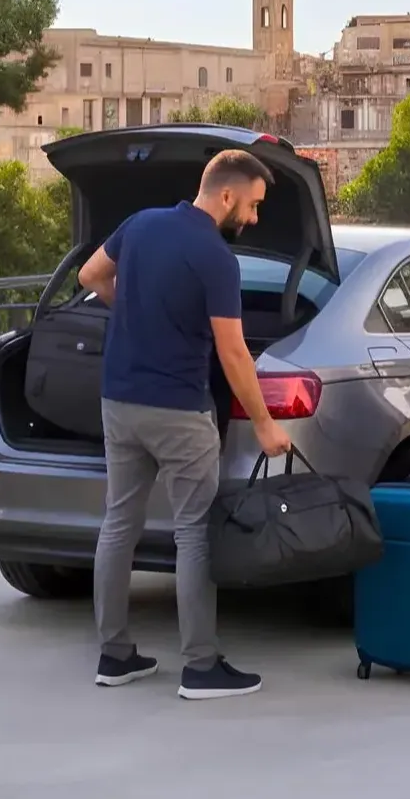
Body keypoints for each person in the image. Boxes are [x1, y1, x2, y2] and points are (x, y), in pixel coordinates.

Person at [77, 149, 291, 700]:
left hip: (119, 401)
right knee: (193, 531)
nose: (254, 218)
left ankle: (114, 655)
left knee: (118, 523)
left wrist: (138, 314)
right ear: (227, 195)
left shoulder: (140, 224)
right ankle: (200, 666)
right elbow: (234, 353)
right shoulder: (216, 257)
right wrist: (265, 424)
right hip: (179, 411)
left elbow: (90, 275)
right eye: (253, 205)